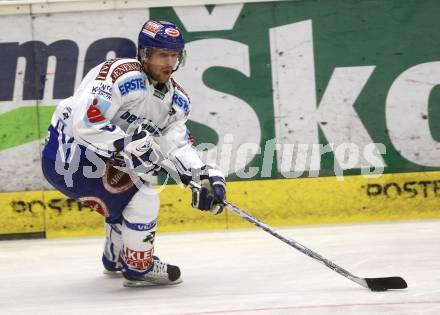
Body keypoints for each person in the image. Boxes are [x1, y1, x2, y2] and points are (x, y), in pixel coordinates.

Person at [41, 19, 226, 287]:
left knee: (132, 184)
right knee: (143, 195)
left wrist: (204, 175)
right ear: (144, 54)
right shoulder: (117, 74)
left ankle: (115, 258)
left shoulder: (178, 101)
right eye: (163, 54)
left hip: (96, 159)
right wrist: (125, 143)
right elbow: (87, 122)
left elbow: (176, 144)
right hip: (68, 153)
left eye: (174, 55)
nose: (169, 62)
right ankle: (138, 267)